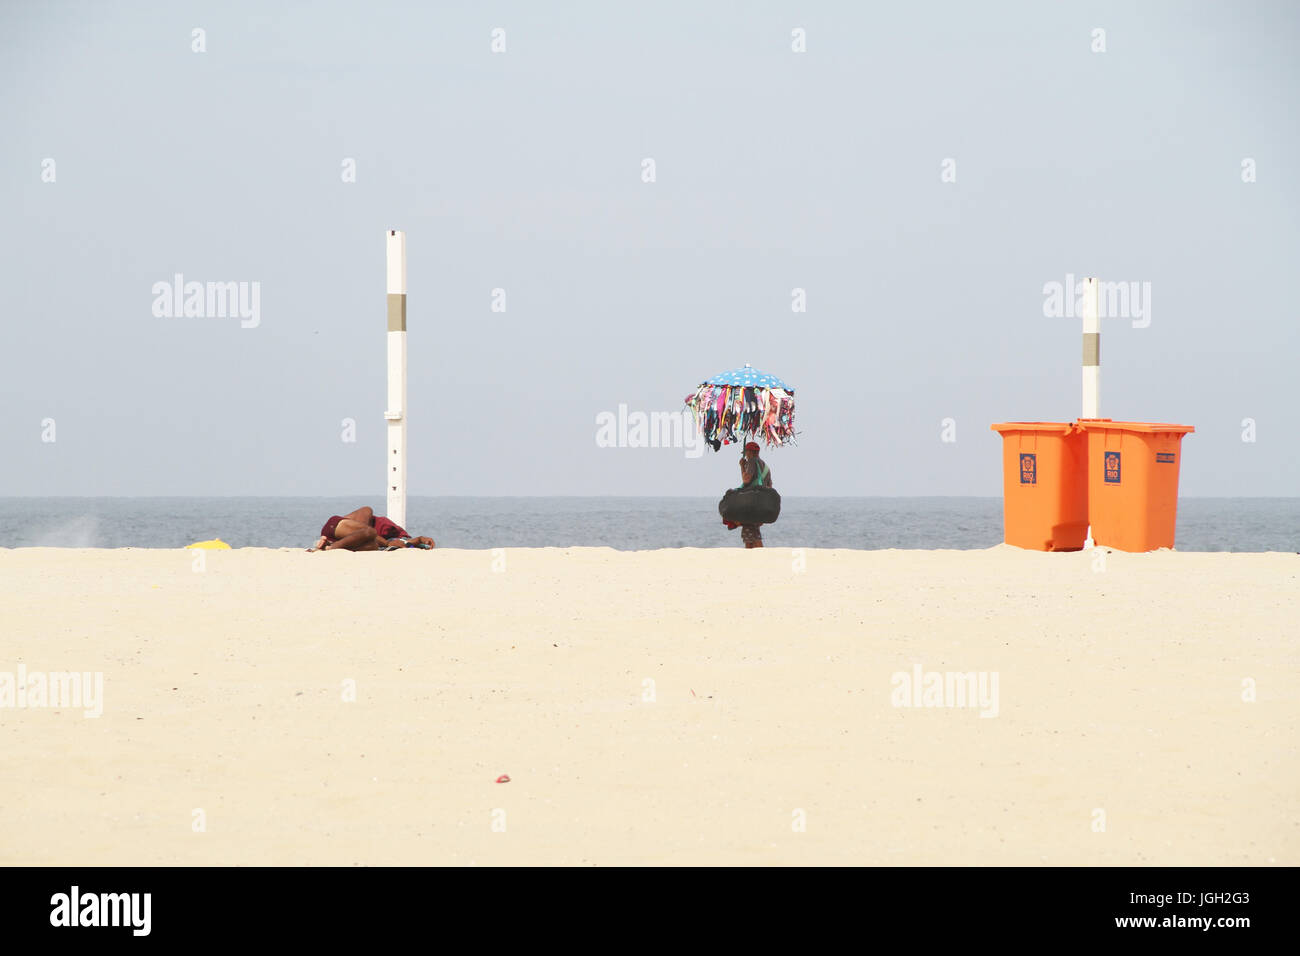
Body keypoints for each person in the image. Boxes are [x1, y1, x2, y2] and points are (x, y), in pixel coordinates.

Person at [310, 506, 435, 551]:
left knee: (372, 546)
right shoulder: (378, 524)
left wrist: (420, 540)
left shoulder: (394, 538)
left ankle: (329, 546)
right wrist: (387, 543)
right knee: (369, 527)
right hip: (337, 527)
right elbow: (400, 542)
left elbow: (404, 542)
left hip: (350, 538)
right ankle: (331, 546)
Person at [738, 441, 772, 548]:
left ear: (750, 452)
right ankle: (751, 557)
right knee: (752, 531)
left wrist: (742, 466)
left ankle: (758, 556)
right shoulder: (765, 466)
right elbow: (770, 485)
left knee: (750, 532)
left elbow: (746, 480)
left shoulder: (752, 462)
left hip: (752, 503)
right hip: (762, 503)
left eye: (746, 452)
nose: (746, 455)